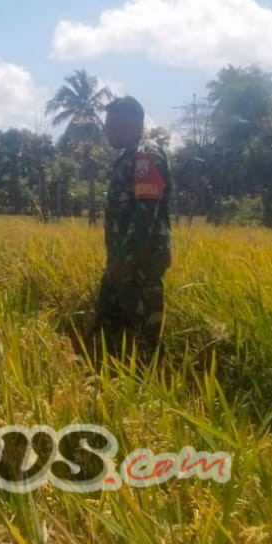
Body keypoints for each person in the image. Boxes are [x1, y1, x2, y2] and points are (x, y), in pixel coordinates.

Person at [87, 96, 172, 362]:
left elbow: (146, 213)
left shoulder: (145, 156)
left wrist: (125, 259)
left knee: (142, 340)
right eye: (107, 124)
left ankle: (142, 392)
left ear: (136, 124)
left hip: (140, 264)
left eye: (114, 124)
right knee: (106, 330)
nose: (108, 130)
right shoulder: (128, 157)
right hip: (122, 263)